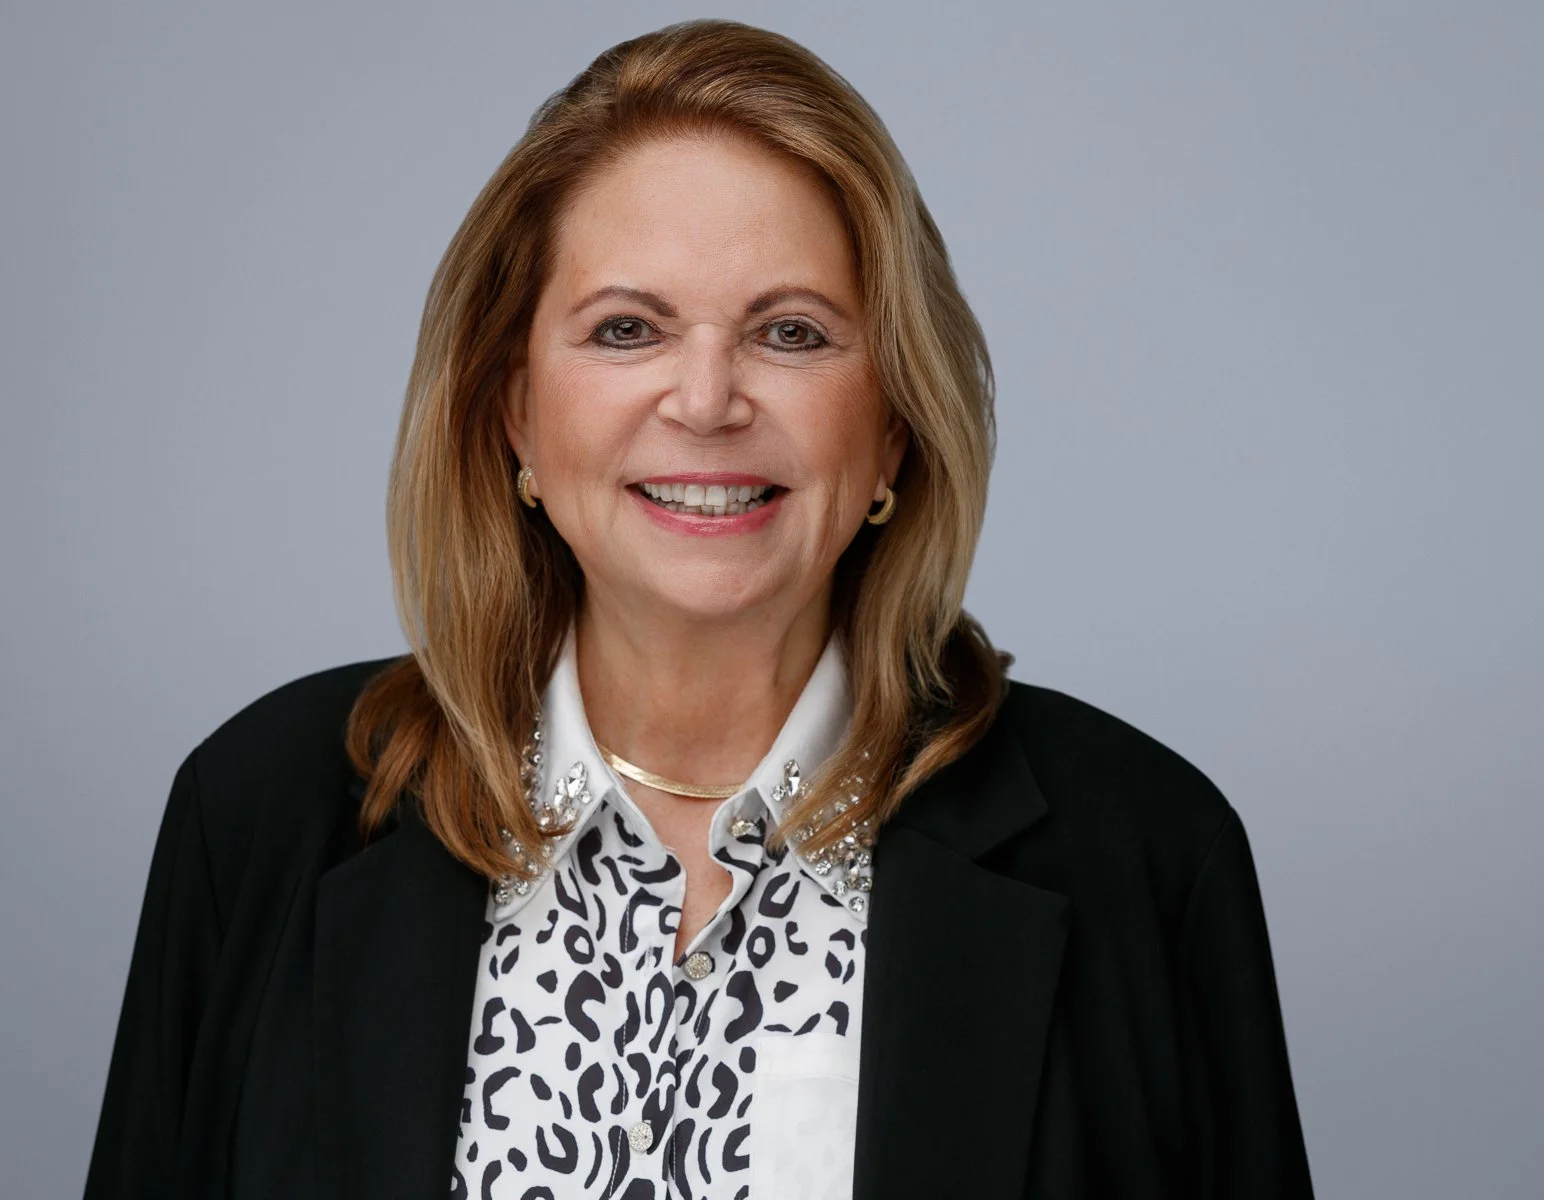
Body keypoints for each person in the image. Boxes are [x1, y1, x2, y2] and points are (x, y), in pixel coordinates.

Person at [83, 18, 1313, 1200]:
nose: (709, 400)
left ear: (895, 424)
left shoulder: (1148, 858)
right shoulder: (261, 817)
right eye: (628, 329)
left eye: (792, 332)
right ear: (514, 410)